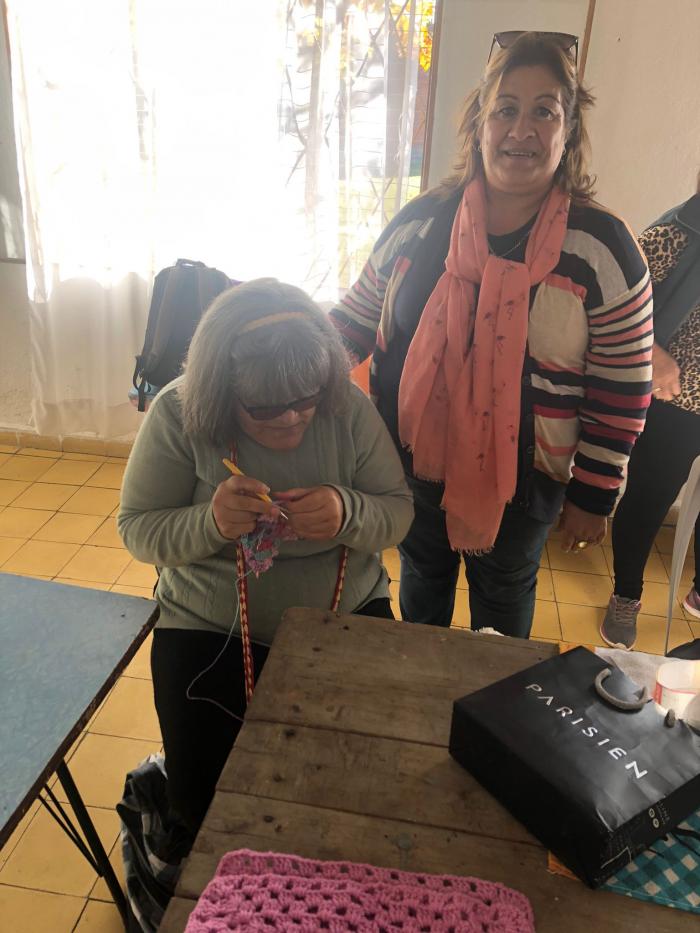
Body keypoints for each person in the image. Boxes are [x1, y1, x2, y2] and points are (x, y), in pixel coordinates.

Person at [330, 30, 653, 638]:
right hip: (410, 466)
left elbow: (624, 385)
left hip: (524, 487)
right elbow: (349, 324)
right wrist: (274, 371)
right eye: (505, 108)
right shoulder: (420, 224)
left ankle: (489, 718)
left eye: (544, 112)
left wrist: (594, 493)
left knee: (502, 615)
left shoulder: (602, 247)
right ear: (479, 123)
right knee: (422, 585)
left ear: (569, 131)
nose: (521, 129)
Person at [118, 278, 413, 835]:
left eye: (305, 404)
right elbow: (138, 530)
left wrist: (346, 510)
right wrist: (208, 522)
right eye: (265, 410)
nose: (291, 421)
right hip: (210, 628)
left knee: (363, 787)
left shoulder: (343, 403)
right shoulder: (179, 411)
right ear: (220, 393)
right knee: (202, 805)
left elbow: (396, 513)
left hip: (344, 612)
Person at [601, 178, 700, 649]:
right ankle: (626, 595)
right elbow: (615, 306)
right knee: (648, 501)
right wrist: (655, 352)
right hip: (674, 402)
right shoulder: (673, 233)